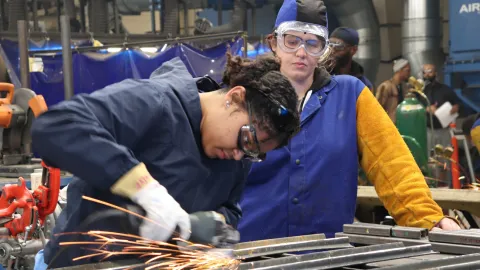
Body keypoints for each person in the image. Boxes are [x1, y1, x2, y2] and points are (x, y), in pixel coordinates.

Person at [31, 54, 300, 268]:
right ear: (235, 97)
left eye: (254, 153)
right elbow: (57, 127)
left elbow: (230, 208)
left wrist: (210, 224)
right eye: (247, 141)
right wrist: (145, 190)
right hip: (80, 263)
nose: (241, 155)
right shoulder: (154, 101)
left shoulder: (237, 153)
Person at [238, 0, 460, 243]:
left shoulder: (351, 96)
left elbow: (392, 163)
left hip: (328, 254)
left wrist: (430, 219)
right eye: (291, 41)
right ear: (274, 42)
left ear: (324, 50)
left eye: (313, 43)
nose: (301, 52)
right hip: (252, 253)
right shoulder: (244, 96)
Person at [422, 64, 461, 148]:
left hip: (444, 130)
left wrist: (456, 107)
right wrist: (426, 109)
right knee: (431, 158)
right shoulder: (421, 92)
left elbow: (458, 103)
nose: (427, 75)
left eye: (430, 72)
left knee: (445, 157)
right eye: (424, 72)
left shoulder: (445, 89)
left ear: (435, 73)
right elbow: (415, 108)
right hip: (428, 131)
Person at [329, 27, 374, 91]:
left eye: (338, 46)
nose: (332, 51)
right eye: (330, 45)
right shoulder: (319, 77)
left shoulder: (363, 85)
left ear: (353, 50)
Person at [376, 58, 411, 123]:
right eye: (407, 70)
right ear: (400, 70)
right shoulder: (386, 86)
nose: (409, 73)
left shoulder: (404, 88)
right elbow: (377, 108)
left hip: (401, 125)